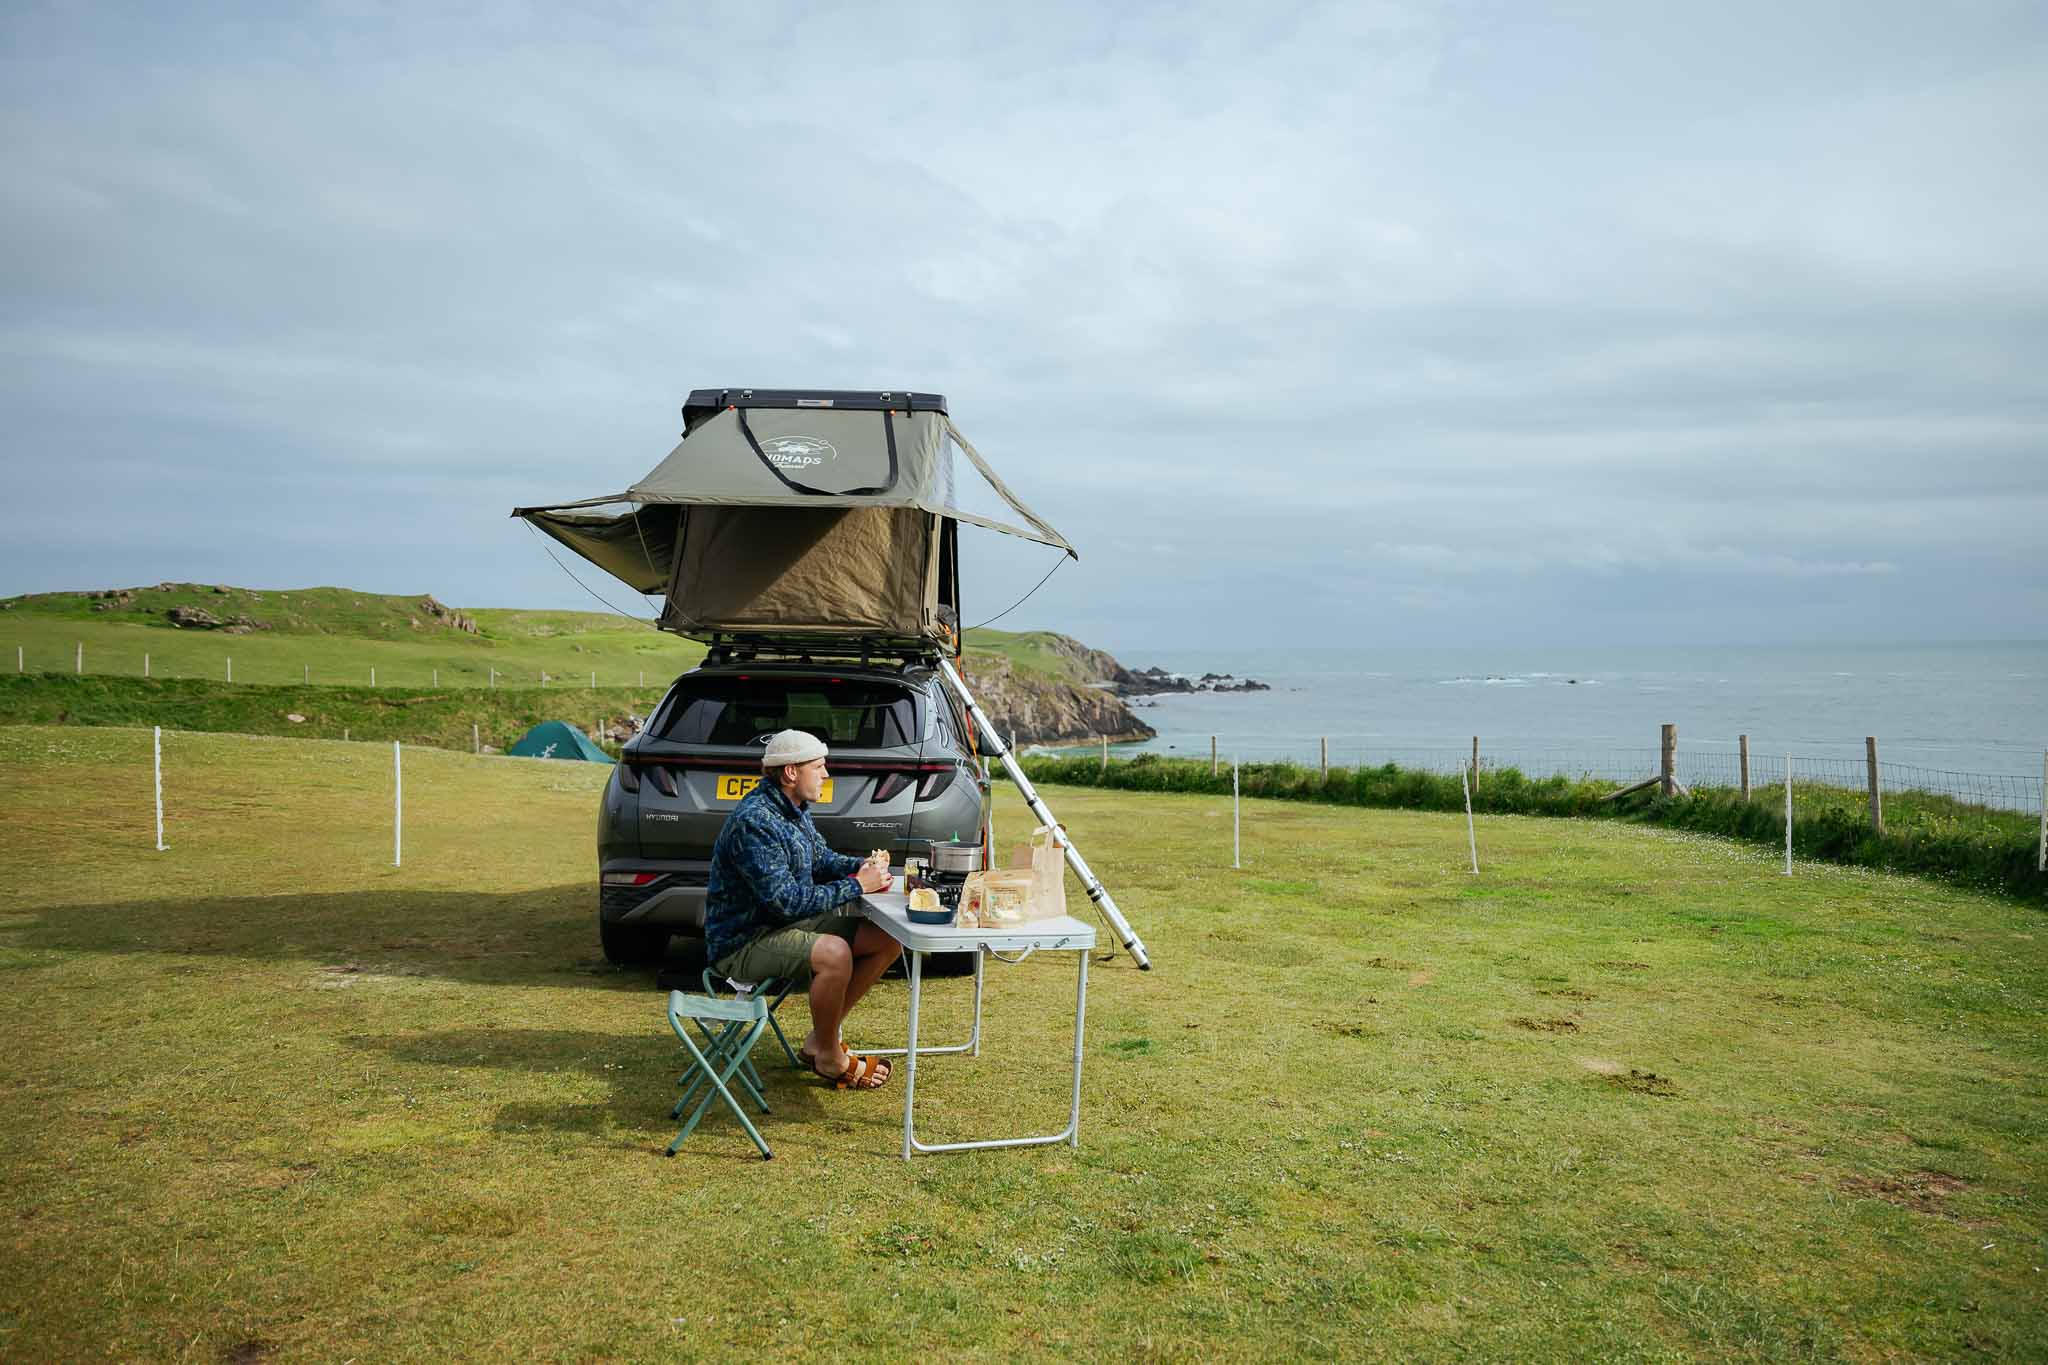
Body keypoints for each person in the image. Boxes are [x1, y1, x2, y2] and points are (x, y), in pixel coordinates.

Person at [702, 728, 902, 1089]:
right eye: (818, 766)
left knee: (885, 940)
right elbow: (786, 902)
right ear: (791, 772)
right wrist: (858, 885)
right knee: (834, 954)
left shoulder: (793, 810)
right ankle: (829, 1057)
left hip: (779, 926)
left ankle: (818, 1041)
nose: (826, 774)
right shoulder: (756, 821)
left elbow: (820, 859)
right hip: (742, 941)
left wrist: (862, 866)